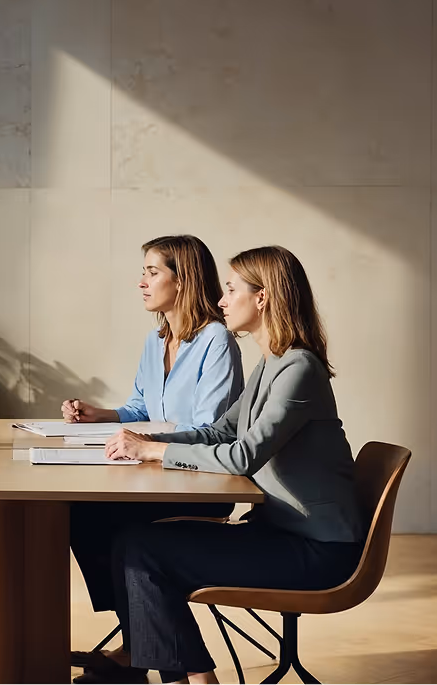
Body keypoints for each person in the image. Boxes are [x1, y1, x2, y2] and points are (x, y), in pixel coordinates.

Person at [98, 245, 365, 684]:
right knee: (132, 542)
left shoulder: (299, 368)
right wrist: (146, 441)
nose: (220, 301)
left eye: (230, 289)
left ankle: (198, 680)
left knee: (145, 551)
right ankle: (191, 677)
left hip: (318, 553)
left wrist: (158, 453)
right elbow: (220, 432)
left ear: (262, 298)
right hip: (279, 533)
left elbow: (243, 456)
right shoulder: (272, 363)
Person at [64, 235, 244, 665]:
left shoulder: (216, 341)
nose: (141, 282)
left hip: (200, 482)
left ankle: (135, 650)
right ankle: (135, 638)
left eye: (152, 271)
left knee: (110, 520)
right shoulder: (156, 340)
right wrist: (101, 414)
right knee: (79, 509)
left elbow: (210, 429)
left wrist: (147, 446)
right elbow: (142, 408)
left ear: (181, 281)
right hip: (158, 472)